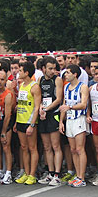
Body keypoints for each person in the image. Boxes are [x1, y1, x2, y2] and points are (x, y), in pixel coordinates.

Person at [59, 64, 89, 187]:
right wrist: (61, 121)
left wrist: (70, 107)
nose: (66, 75)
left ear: (75, 74)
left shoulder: (83, 87)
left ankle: (82, 177)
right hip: (69, 120)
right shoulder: (66, 87)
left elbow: (83, 104)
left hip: (79, 119)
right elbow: (64, 106)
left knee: (80, 148)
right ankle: (77, 175)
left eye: (68, 73)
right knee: (73, 149)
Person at [37, 56, 64, 186]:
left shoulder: (57, 80)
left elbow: (58, 99)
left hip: (53, 114)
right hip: (43, 115)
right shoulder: (40, 80)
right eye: (50, 68)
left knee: (55, 146)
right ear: (43, 69)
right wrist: (41, 108)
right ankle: (50, 173)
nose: (53, 71)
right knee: (47, 147)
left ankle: (58, 174)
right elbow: (39, 97)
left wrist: (47, 109)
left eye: (54, 68)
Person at [14, 61, 41, 185]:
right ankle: (26, 172)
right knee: (23, 148)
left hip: (29, 122)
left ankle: (32, 174)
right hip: (20, 119)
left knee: (32, 148)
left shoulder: (34, 86)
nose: (18, 73)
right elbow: (20, 104)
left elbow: (36, 107)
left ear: (27, 72)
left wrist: (32, 124)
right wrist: (16, 122)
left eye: (20, 70)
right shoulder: (21, 85)